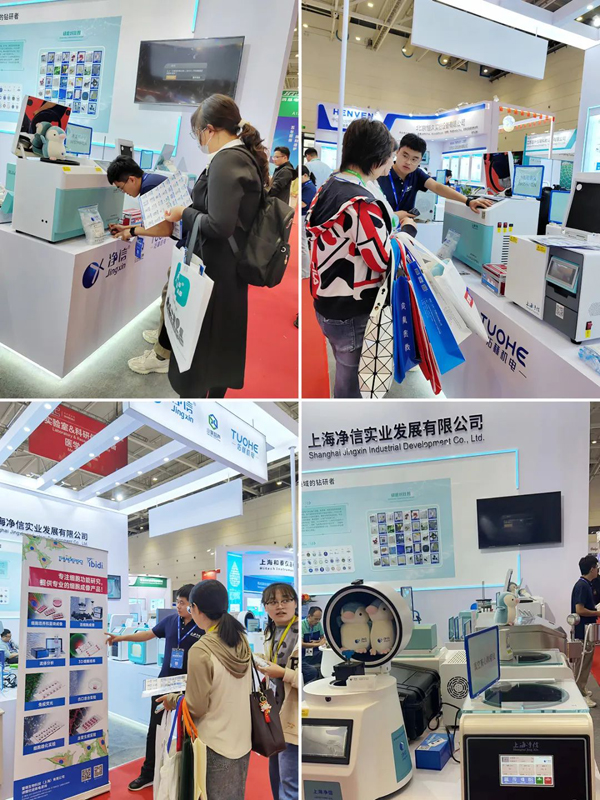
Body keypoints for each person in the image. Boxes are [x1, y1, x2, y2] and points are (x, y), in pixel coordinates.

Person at [162, 94, 266, 398]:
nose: (199, 140)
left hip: (215, 271)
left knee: (201, 347)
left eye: (197, 134)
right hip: (228, 270)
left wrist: (184, 212)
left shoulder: (226, 160)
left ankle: (195, 402)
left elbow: (220, 225)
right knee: (219, 349)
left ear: (209, 129)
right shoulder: (243, 156)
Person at [306, 118, 398, 398]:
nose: (391, 163)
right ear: (375, 158)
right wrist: (404, 232)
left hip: (326, 299)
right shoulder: (362, 203)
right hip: (352, 311)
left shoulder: (331, 184)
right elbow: (381, 260)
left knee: (344, 369)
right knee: (353, 384)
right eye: (390, 156)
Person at [157, 580, 252, 800]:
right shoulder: (241, 640)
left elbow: (197, 707)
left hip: (213, 744)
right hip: (242, 740)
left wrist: (174, 700)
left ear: (196, 609)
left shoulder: (201, 649)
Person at [105, 584, 202, 792]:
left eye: (183, 603)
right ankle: (148, 772)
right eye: (177, 602)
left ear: (193, 605)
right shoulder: (171, 621)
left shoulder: (203, 626)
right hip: (164, 684)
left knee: (189, 731)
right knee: (155, 730)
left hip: (190, 687)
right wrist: (120, 637)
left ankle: (188, 774)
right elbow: (148, 634)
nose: (178, 606)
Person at [105, 156, 175, 377]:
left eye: (121, 187)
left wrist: (132, 231)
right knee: (169, 295)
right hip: (191, 244)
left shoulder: (149, 189)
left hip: (193, 247)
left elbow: (164, 230)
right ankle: (163, 336)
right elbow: (158, 223)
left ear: (132, 179)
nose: (123, 192)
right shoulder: (152, 181)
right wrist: (128, 227)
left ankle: (162, 356)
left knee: (171, 297)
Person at [377, 134, 493, 224]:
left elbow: (437, 187)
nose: (408, 162)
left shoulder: (417, 174)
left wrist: (468, 201)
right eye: (405, 155)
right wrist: (394, 216)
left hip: (404, 228)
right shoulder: (381, 172)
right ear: (397, 152)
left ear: (420, 160)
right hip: (381, 227)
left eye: (414, 159)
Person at [256, 582, 299, 800]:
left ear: (295, 603)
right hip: (273, 713)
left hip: (293, 715)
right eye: (273, 602)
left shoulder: (301, 634)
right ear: (265, 607)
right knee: (275, 775)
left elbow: (311, 680)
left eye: (286, 600)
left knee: (290, 781)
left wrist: (282, 673)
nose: (280, 606)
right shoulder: (270, 631)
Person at [571, 555, 599, 707]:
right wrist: (598, 612)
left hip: (587, 630)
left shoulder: (586, 585)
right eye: (596, 567)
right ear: (591, 569)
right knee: (583, 664)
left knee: (586, 663)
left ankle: (581, 688)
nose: (597, 570)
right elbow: (579, 610)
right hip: (583, 631)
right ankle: (579, 694)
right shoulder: (582, 586)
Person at [301, 166, 317, 280]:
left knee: (303, 245)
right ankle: (305, 270)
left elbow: (304, 204)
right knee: (303, 244)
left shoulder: (309, 187)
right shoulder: (306, 185)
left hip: (304, 216)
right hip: (303, 216)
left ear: (305, 175)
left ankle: (305, 271)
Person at [302, 605, 325, 670]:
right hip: (304, 654)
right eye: (316, 619)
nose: (318, 621)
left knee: (326, 655)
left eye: (319, 619)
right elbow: (301, 644)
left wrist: (317, 641)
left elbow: (323, 639)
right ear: (309, 616)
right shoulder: (301, 625)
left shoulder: (318, 624)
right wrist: (318, 644)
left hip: (315, 652)